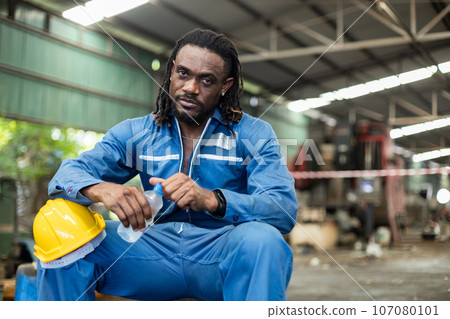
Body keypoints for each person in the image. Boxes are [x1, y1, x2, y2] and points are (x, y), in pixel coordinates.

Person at [37, 29, 298, 301]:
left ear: (226, 86)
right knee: (59, 223)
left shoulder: (253, 134)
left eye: (206, 80)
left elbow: (282, 208)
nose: (190, 88)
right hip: (148, 252)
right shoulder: (138, 132)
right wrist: (103, 189)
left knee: (264, 241)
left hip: (220, 251)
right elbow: (66, 175)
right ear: (172, 71)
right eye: (184, 73)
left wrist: (212, 200)